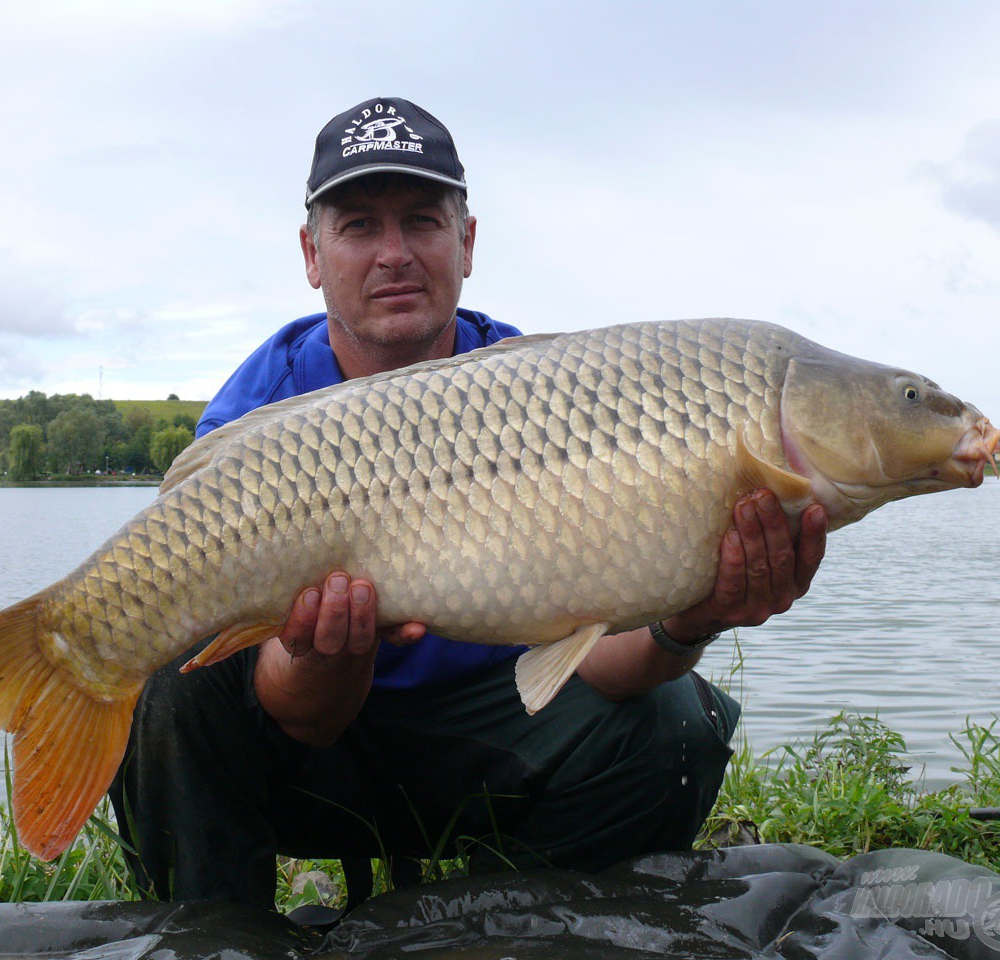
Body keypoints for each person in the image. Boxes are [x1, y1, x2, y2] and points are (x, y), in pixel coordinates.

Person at [109, 97, 828, 910]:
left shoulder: (548, 392)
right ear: (313, 254)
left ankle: (513, 927)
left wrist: (695, 618)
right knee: (170, 680)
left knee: (678, 725)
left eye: (422, 221)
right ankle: (213, 931)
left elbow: (597, 664)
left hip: (489, 740)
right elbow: (300, 718)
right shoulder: (257, 419)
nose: (394, 254)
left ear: (468, 242)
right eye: (358, 227)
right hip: (312, 750)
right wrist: (326, 653)